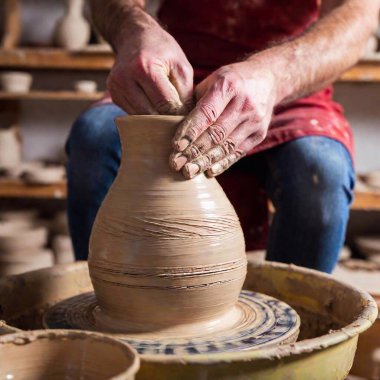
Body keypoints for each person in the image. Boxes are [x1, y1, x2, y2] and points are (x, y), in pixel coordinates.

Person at [66, 0, 380, 272]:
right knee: (94, 137)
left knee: (321, 174)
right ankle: (106, 314)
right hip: (175, 76)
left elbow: (357, 17)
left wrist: (273, 76)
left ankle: (294, 332)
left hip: (286, 81)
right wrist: (132, 31)